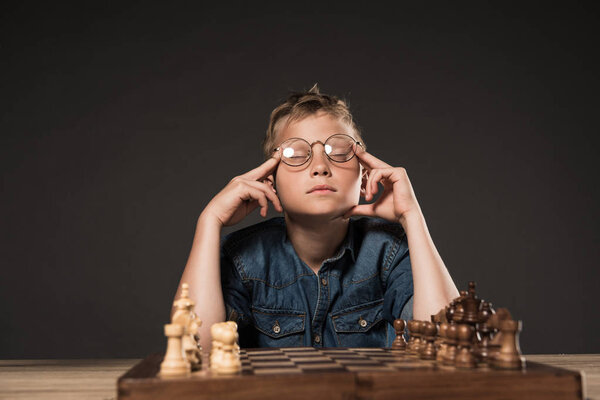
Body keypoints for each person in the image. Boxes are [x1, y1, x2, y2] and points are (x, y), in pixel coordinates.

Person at [174, 85, 458, 350]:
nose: (320, 166)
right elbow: (197, 353)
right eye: (296, 154)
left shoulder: (390, 250)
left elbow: (449, 346)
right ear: (269, 181)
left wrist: (412, 217)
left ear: (364, 177)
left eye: (340, 151)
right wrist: (209, 221)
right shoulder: (241, 258)